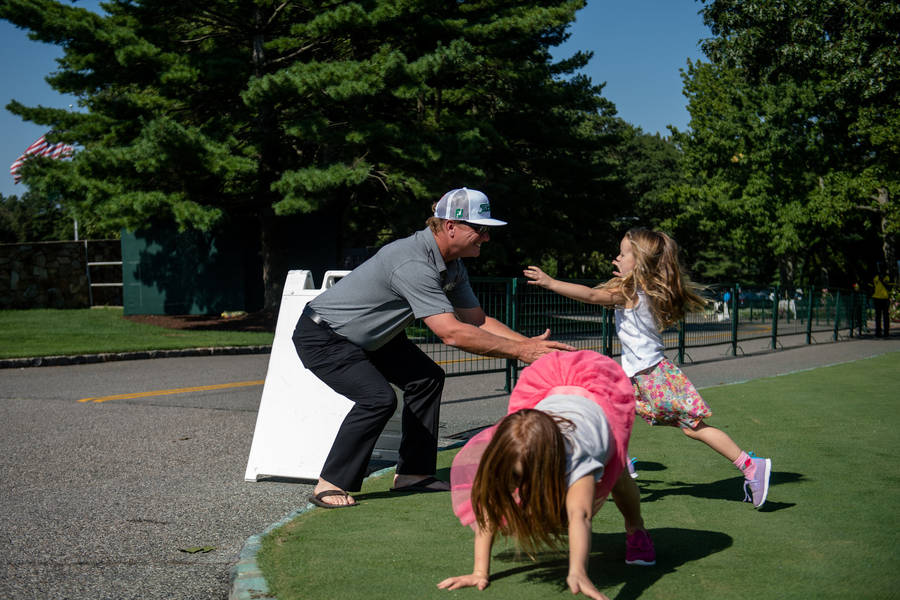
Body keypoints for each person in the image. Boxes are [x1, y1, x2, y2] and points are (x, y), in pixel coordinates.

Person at [293, 187, 575, 508]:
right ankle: (329, 483)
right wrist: (522, 353)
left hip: (373, 336)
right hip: (326, 336)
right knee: (378, 399)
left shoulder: (453, 264)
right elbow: (451, 333)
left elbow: (477, 321)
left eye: (487, 231)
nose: (486, 238)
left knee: (426, 378)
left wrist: (529, 344)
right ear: (450, 226)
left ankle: (414, 473)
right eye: (479, 230)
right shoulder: (412, 261)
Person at [523, 228, 772, 508]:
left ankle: (751, 466)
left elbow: (592, 297)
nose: (616, 258)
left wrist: (550, 282)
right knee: (603, 410)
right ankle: (620, 463)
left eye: (623, 254)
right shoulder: (636, 288)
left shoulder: (632, 292)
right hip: (637, 376)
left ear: (639, 261)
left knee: (693, 427)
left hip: (653, 376)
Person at [438, 350, 654, 600]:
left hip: (596, 406)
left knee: (618, 477)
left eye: (524, 477)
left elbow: (580, 516)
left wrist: (578, 571)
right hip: (551, 396)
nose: (519, 484)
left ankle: (636, 529)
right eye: (516, 477)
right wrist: (479, 572)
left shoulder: (580, 456)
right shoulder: (507, 450)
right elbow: (490, 506)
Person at [871, 263, 892, 338]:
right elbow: (873, 285)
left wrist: (882, 279)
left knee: (886, 316)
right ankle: (878, 332)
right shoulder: (876, 277)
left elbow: (888, 286)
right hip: (877, 298)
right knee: (878, 316)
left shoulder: (887, 277)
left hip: (885, 298)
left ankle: (886, 332)